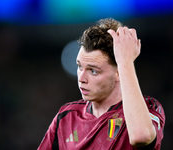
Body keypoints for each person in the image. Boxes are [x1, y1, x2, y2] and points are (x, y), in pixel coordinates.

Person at [37, 18, 165, 150]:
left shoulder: (149, 108)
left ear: (118, 72)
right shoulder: (66, 117)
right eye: (80, 67)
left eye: (93, 71)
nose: (81, 78)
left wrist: (125, 62)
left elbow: (141, 137)